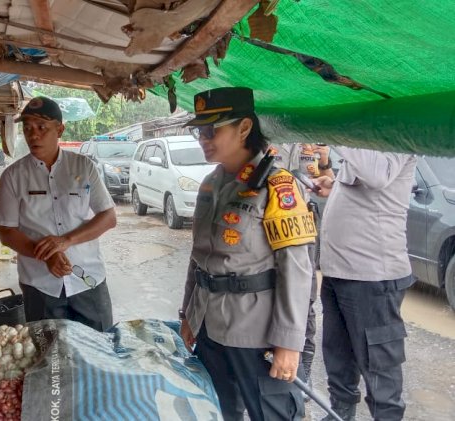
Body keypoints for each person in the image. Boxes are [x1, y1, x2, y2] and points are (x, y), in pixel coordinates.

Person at [178, 87, 315, 421]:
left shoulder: (277, 186)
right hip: (209, 325)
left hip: (255, 331)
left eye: (212, 130)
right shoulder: (210, 184)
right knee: (219, 411)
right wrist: (188, 316)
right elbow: (198, 258)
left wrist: (288, 343)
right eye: (199, 131)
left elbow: (296, 269)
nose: (203, 139)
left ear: (243, 128)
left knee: (271, 415)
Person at [0, 97, 117, 332]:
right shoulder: (13, 176)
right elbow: (7, 232)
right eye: (27, 128)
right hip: (40, 285)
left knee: (100, 351)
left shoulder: (83, 167)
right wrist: (45, 256)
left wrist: (65, 241)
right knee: (49, 359)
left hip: (87, 279)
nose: (33, 135)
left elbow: (108, 217)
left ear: (60, 129)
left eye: (42, 127)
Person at [313, 147, 417, 421]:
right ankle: (341, 413)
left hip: (372, 277)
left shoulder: (397, 134)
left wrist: (341, 134)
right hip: (339, 272)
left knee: (379, 367)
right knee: (338, 357)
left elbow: (377, 175)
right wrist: (334, 184)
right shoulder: (366, 142)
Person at [267, 142, 332, 396]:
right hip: (273, 225)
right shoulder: (265, 134)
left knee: (306, 300)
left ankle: (302, 375)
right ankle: (274, 366)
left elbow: (326, 181)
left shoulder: (311, 139)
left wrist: (324, 161)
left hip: (304, 224)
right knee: (276, 293)